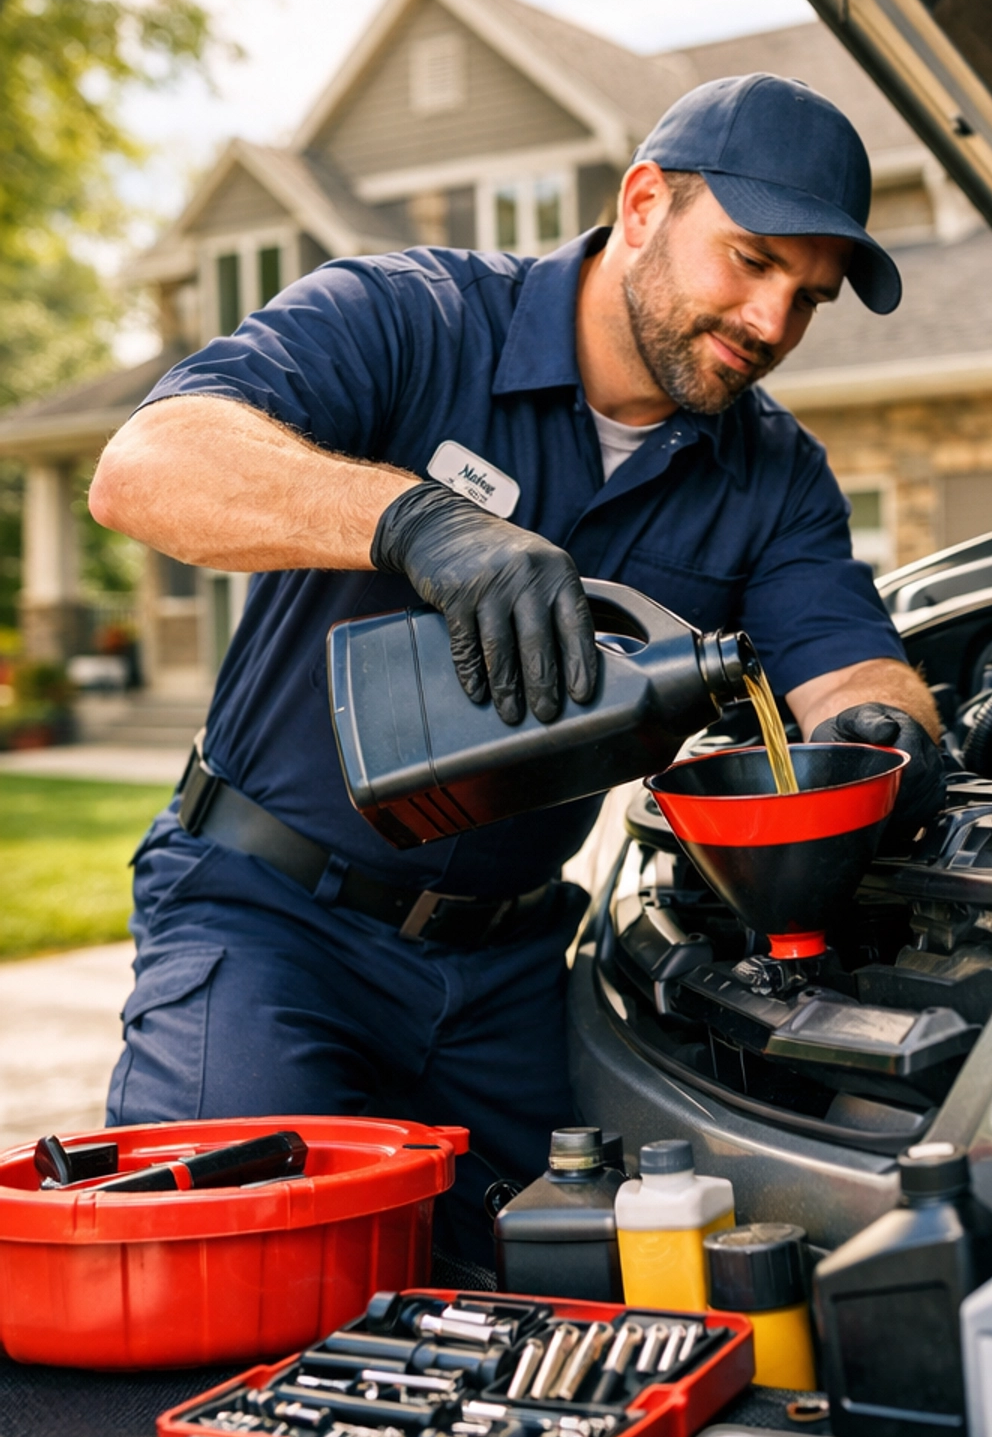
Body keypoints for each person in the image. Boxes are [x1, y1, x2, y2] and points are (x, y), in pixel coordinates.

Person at [89, 74, 947, 1258]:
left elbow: (850, 665)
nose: (770, 322)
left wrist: (888, 731)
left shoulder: (773, 476)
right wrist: (419, 525)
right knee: (237, 1271)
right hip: (271, 924)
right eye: (748, 261)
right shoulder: (412, 318)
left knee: (591, 1290)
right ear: (644, 203)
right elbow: (147, 467)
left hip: (510, 973)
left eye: (808, 296)